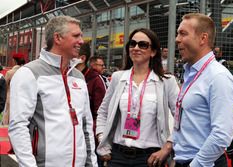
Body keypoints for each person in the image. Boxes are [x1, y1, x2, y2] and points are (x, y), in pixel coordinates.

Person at [8, 16, 97, 167]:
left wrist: (92, 164)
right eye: (76, 35)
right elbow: (18, 126)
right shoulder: (29, 73)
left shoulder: (79, 77)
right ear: (58, 38)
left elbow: (86, 125)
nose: (82, 41)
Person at [96, 28, 179, 167]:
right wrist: (102, 139)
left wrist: (167, 147)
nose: (136, 48)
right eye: (132, 44)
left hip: (149, 158)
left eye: (143, 45)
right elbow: (103, 112)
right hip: (117, 157)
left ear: (153, 52)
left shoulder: (166, 81)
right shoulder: (118, 78)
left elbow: (181, 118)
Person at [174, 13, 233, 167]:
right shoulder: (190, 73)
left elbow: (222, 135)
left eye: (183, 33)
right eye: (177, 33)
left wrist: (195, 164)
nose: (177, 39)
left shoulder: (218, 77)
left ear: (203, 38)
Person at [1, 53, 26, 125]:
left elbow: (4, 86)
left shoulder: (10, 73)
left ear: (14, 61)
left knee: (8, 120)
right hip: (23, 98)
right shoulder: (26, 72)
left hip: (10, 98)